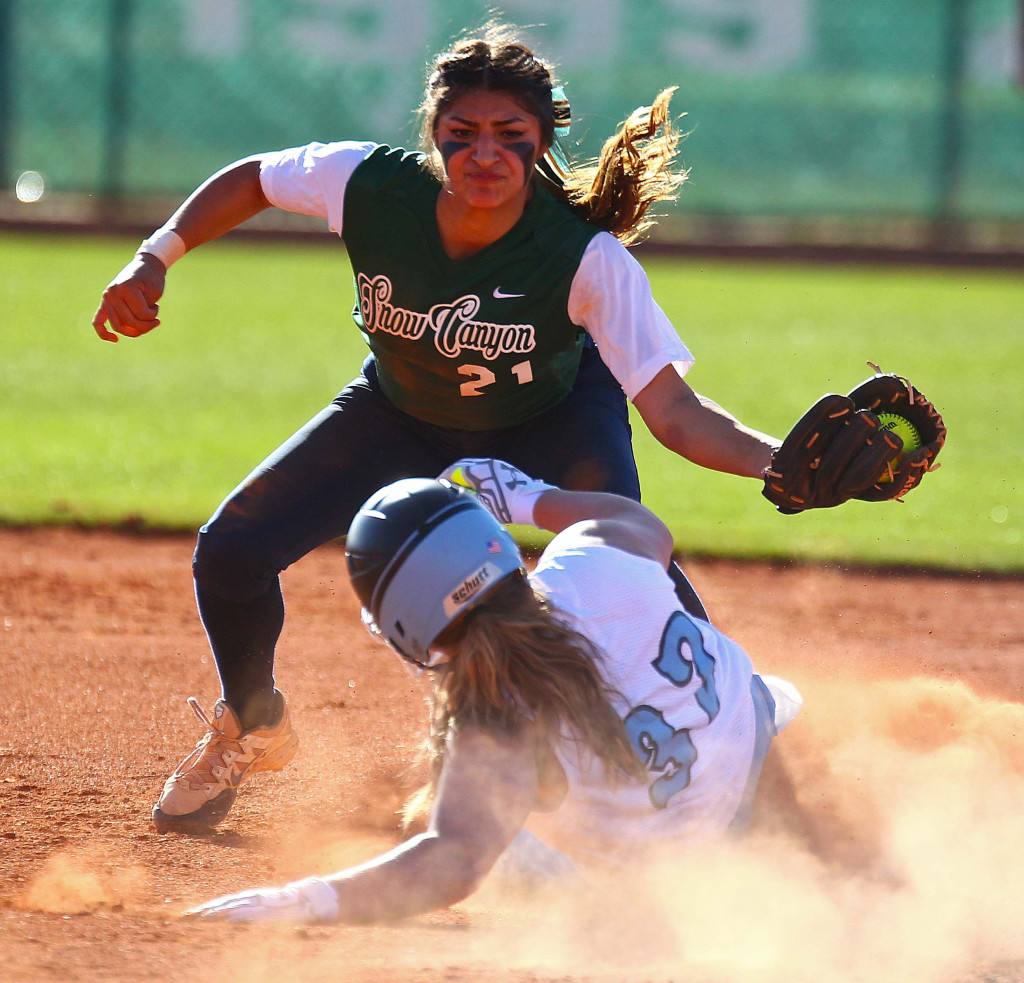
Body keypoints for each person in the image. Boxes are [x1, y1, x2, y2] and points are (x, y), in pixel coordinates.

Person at [91, 23, 782, 834]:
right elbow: (253, 178)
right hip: (401, 410)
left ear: (543, 141)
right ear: (433, 135)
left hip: (549, 419)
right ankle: (253, 720)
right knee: (231, 551)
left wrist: (781, 465)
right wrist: (155, 255)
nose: (484, 154)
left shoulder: (581, 255)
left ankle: (746, 745)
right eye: (462, 135)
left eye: (510, 137)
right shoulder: (372, 186)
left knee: (631, 579)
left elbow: (676, 414)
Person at [185, 459, 801, 924]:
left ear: (403, 620)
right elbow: (639, 521)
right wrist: (528, 497)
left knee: (454, 819)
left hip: (688, 879)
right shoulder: (588, 559)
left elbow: (453, 862)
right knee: (749, 690)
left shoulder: (493, 715)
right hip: (758, 756)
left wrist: (307, 901)